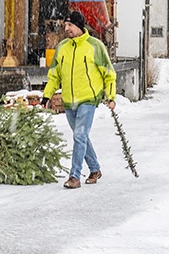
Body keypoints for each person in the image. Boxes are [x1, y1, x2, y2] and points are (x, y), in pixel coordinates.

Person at [42, 11, 117, 189]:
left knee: (80, 135)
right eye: (65, 25)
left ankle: (74, 176)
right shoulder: (62, 48)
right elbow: (54, 76)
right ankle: (95, 169)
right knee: (81, 137)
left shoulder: (95, 46)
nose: (66, 28)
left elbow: (109, 74)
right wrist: (47, 95)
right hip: (69, 101)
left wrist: (111, 96)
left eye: (69, 25)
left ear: (78, 26)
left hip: (88, 99)